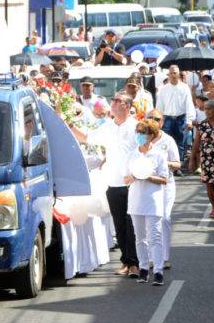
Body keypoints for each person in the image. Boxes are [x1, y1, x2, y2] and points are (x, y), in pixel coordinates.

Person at [70, 93, 139, 278]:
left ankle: (134, 262)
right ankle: (126, 260)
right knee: (119, 223)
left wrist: (138, 173)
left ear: (126, 105)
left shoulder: (135, 126)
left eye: (117, 101)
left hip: (132, 182)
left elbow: (144, 150)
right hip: (113, 182)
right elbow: (86, 138)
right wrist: (69, 125)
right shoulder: (107, 126)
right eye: (114, 100)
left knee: (132, 223)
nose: (113, 103)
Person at [124, 119, 169, 286]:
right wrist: (135, 176)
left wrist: (148, 176)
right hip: (136, 200)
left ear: (151, 135)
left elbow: (164, 179)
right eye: (138, 133)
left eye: (143, 133)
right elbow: (125, 178)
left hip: (153, 201)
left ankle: (158, 271)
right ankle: (143, 269)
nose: (139, 136)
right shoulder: (131, 155)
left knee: (155, 237)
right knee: (140, 238)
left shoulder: (158, 155)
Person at [146, 109, 181, 270]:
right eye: (150, 118)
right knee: (150, 221)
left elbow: (177, 164)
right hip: (147, 184)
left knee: (165, 218)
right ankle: (151, 257)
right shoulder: (142, 138)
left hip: (165, 184)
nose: (154, 120)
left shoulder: (168, 140)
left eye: (157, 119)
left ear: (162, 122)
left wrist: (163, 163)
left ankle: (165, 257)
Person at [156, 65, 196, 165]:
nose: (173, 75)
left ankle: (178, 165)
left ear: (179, 74)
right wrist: (158, 120)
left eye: (175, 73)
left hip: (181, 118)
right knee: (165, 141)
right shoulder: (163, 89)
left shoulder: (185, 87)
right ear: (168, 74)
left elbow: (189, 104)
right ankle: (165, 164)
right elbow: (159, 106)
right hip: (167, 119)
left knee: (180, 142)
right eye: (172, 73)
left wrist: (190, 120)